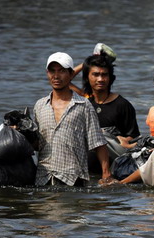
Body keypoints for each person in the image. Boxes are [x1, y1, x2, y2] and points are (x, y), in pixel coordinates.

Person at [34, 52, 112, 186]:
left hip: (73, 179)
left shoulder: (83, 105)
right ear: (47, 74)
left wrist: (106, 174)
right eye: (52, 71)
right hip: (43, 178)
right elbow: (35, 144)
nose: (56, 76)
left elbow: (98, 143)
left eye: (61, 71)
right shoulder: (40, 106)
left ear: (71, 74)